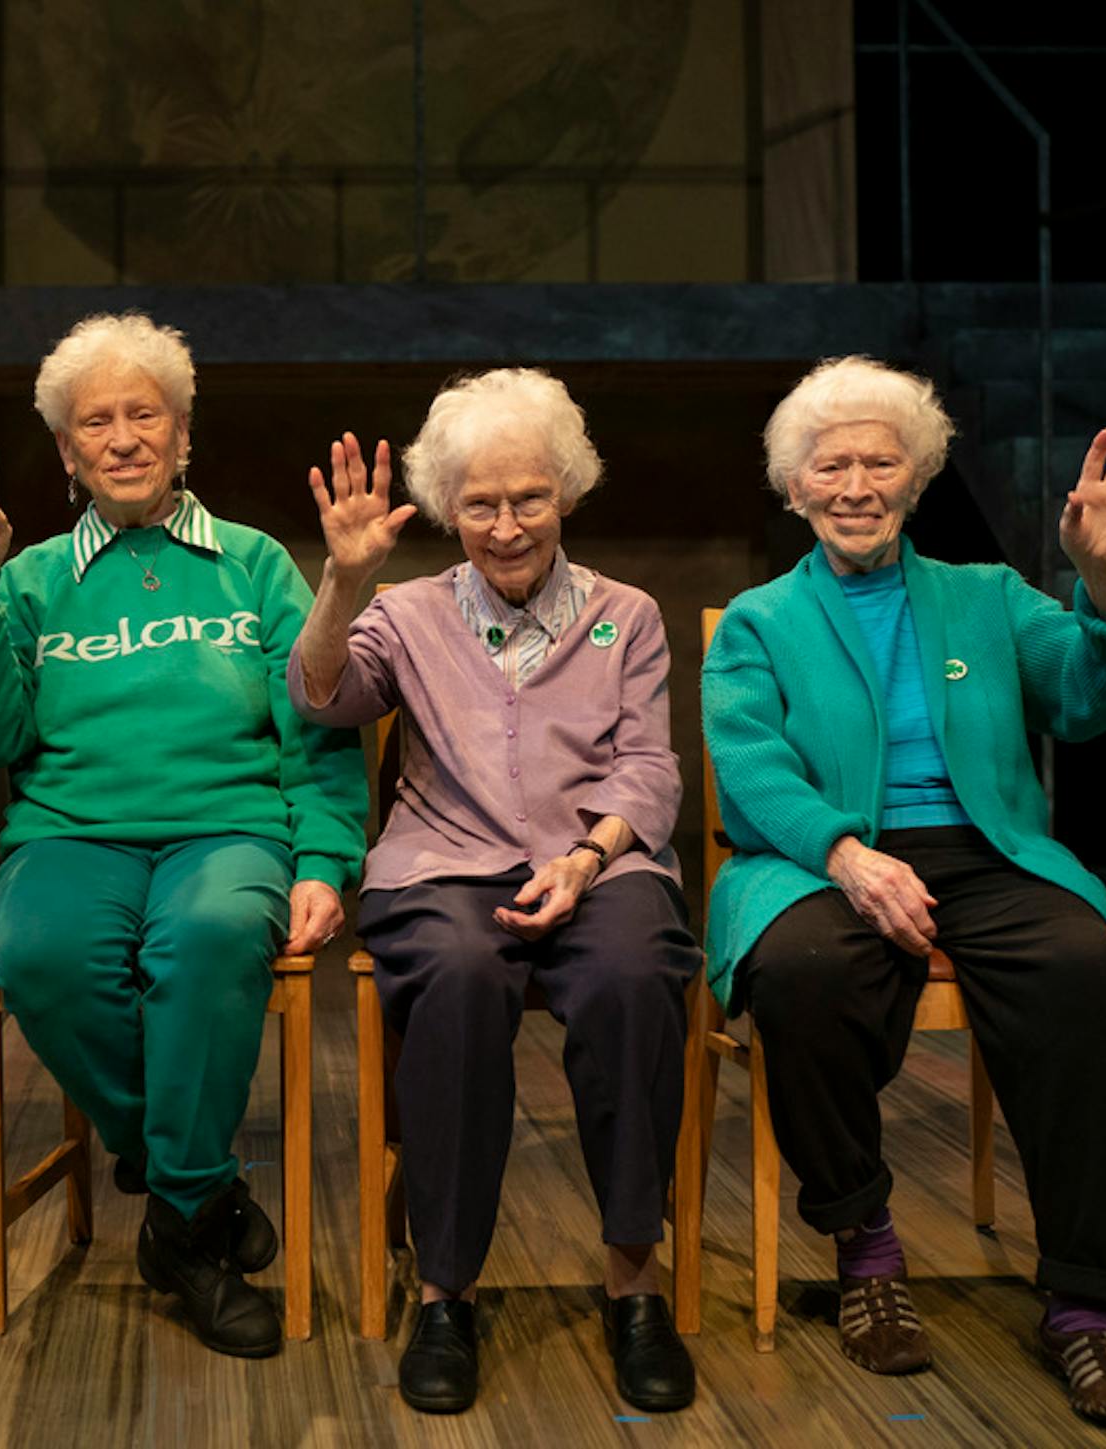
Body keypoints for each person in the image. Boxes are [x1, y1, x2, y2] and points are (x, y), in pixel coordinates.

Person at [701, 355, 1106, 1427]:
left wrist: (1103, 585)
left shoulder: (985, 596)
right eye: (832, 466)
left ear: (916, 481)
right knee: (803, 969)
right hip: (817, 856)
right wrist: (848, 858)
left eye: (882, 462)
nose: (857, 485)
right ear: (793, 487)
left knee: (1085, 966)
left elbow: (1096, 692)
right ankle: (866, 1248)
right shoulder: (758, 622)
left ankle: (1087, 1307)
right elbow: (750, 765)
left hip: (986, 849)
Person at [0, 312, 365, 1358]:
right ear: (68, 454)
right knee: (41, 956)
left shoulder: (255, 565)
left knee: (209, 939)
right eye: (96, 424)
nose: (123, 438)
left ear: (182, 433)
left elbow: (316, 725)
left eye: (145, 416)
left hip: (231, 827)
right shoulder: (29, 578)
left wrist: (323, 861)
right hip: (71, 833)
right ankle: (196, 1197)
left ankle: (178, 1223)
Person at [290, 369, 701, 1415]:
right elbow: (319, 695)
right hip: (443, 866)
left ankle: (632, 1284)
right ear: (445, 508)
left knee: (632, 975)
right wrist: (341, 581)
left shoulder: (629, 615)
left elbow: (650, 767)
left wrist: (589, 858)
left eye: (529, 498)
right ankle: (445, 1293)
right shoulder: (406, 613)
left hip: (598, 863)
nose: (507, 525)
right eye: (480, 503)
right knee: (464, 981)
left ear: (567, 490)